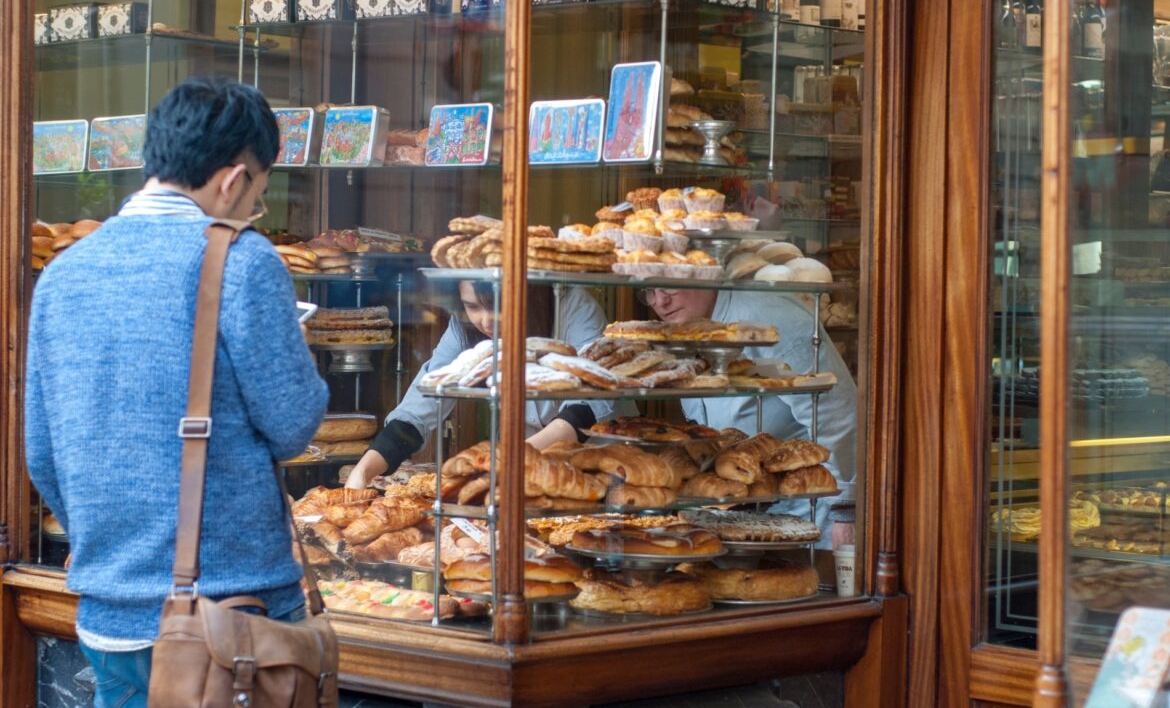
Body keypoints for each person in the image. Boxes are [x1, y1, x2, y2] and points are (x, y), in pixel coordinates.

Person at [24, 77, 329, 708]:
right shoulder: (244, 262)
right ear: (231, 179)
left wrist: (121, 549)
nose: (252, 213)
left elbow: (43, 454)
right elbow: (294, 423)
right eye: (259, 197)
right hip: (232, 619)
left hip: (107, 613)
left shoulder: (61, 274)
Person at [345, 281, 623, 488]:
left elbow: (586, 406)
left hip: (601, 462)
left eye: (497, 305)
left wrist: (505, 461)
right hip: (517, 471)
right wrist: (366, 469)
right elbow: (425, 399)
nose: (485, 320)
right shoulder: (463, 325)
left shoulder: (572, 306)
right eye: (472, 306)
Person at [641, 287, 857, 545]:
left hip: (808, 515)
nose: (660, 302)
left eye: (670, 285)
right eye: (649, 291)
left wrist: (845, 511)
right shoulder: (684, 332)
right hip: (734, 516)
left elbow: (837, 413)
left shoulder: (766, 316)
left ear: (704, 271)